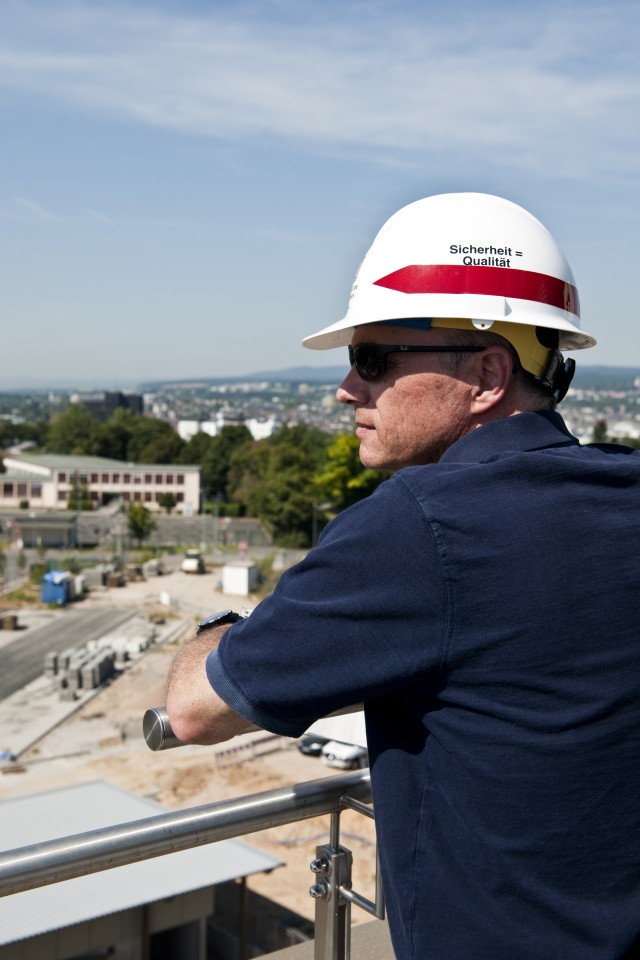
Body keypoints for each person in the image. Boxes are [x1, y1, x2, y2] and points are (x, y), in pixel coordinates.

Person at [166, 193, 640, 960]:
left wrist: (218, 631)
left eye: (373, 360)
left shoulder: (421, 525)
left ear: (488, 374)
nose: (348, 389)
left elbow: (194, 710)